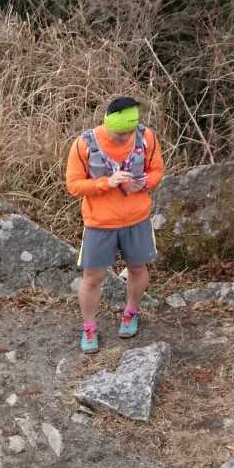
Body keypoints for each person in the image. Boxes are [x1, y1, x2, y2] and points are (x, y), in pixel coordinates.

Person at [65, 96, 164, 354]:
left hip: (137, 219)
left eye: (129, 133)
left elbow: (157, 170)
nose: (125, 138)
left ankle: (131, 311)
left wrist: (143, 183)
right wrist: (106, 183)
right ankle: (89, 327)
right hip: (99, 222)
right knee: (92, 277)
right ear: (108, 124)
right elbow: (73, 185)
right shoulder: (84, 144)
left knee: (137, 268)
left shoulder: (146, 137)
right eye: (120, 134)